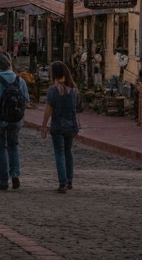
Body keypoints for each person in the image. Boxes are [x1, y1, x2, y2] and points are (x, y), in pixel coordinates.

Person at [0, 52, 30, 191]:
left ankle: (3, 180)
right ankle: (15, 174)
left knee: (0, 148)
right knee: (13, 146)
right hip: (16, 120)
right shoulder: (20, 80)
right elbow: (26, 99)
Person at [40, 60, 79, 193]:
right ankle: (69, 180)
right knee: (68, 152)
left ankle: (62, 182)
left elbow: (48, 110)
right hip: (71, 126)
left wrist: (44, 126)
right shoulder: (73, 91)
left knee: (59, 153)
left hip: (57, 126)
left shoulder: (53, 91)